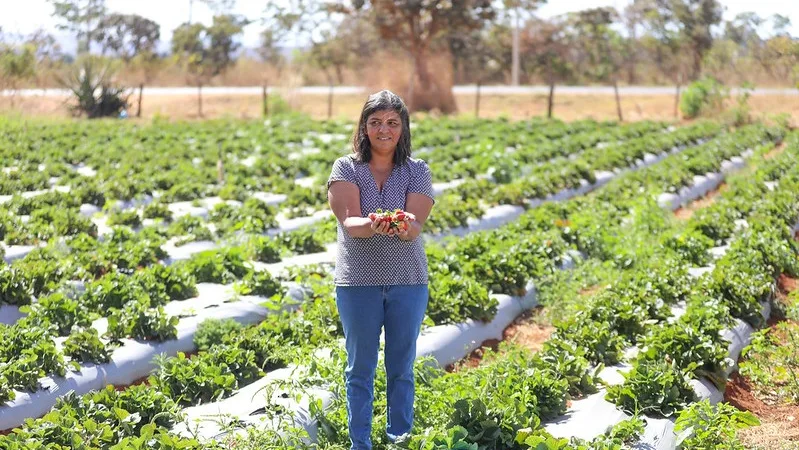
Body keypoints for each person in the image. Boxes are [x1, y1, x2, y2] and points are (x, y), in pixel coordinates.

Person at [326, 90, 435, 449]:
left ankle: (399, 438)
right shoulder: (346, 167)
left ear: (403, 128)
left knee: (401, 367)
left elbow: (414, 228)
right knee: (360, 368)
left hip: (408, 281)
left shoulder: (416, 170)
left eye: (392, 122)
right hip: (358, 282)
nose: (383, 130)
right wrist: (373, 224)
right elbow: (349, 222)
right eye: (375, 122)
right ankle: (361, 444)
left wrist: (405, 225)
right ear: (364, 127)